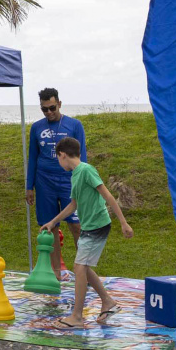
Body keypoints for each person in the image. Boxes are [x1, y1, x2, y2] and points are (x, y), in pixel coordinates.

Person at [41, 137, 133, 329]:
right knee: (84, 267)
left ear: (62, 155)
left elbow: (107, 195)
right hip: (89, 226)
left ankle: (77, 317)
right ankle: (108, 302)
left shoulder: (86, 170)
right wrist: (53, 222)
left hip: (97, 226)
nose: (58, 162)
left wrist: (123, 223)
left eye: (58, 158)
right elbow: (73, 205)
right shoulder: (75, 174)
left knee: (79, 267)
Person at [26, 87, 87, 280]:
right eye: (44, 109)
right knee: (49, 227)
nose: (49, 112)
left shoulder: (74, 125)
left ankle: (84, 270)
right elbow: (32, 158)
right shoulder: (37, 128)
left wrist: (83, 184)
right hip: (44, 182)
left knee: (76, 225)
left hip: (69, 182)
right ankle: (56, 273)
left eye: (52, 108)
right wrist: (29, 186)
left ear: (59, 104)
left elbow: (82, 157)